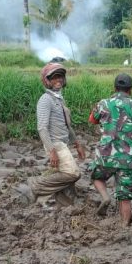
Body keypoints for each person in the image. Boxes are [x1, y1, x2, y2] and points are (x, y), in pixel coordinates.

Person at [88, 73, 132, 226]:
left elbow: (92, 120)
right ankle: (125, 226)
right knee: (124, 196)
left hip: (105, 156)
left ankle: (106, 197)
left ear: (115, 87)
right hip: (127, 159)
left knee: (97, 177)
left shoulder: (103, 103)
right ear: (130, 89)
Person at [28, 62, 86, 206]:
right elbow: (42, 128)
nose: (58, 80)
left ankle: (65, 205)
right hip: (55, 144)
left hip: (63, 144)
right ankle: (36, 185)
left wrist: (77, 144)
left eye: (60, 76)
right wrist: (52, 150)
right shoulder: (45, 100)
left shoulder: (59, 99)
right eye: (54, 77)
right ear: (47, 80)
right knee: (73, 173)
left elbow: (67, 125)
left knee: (66, 177)